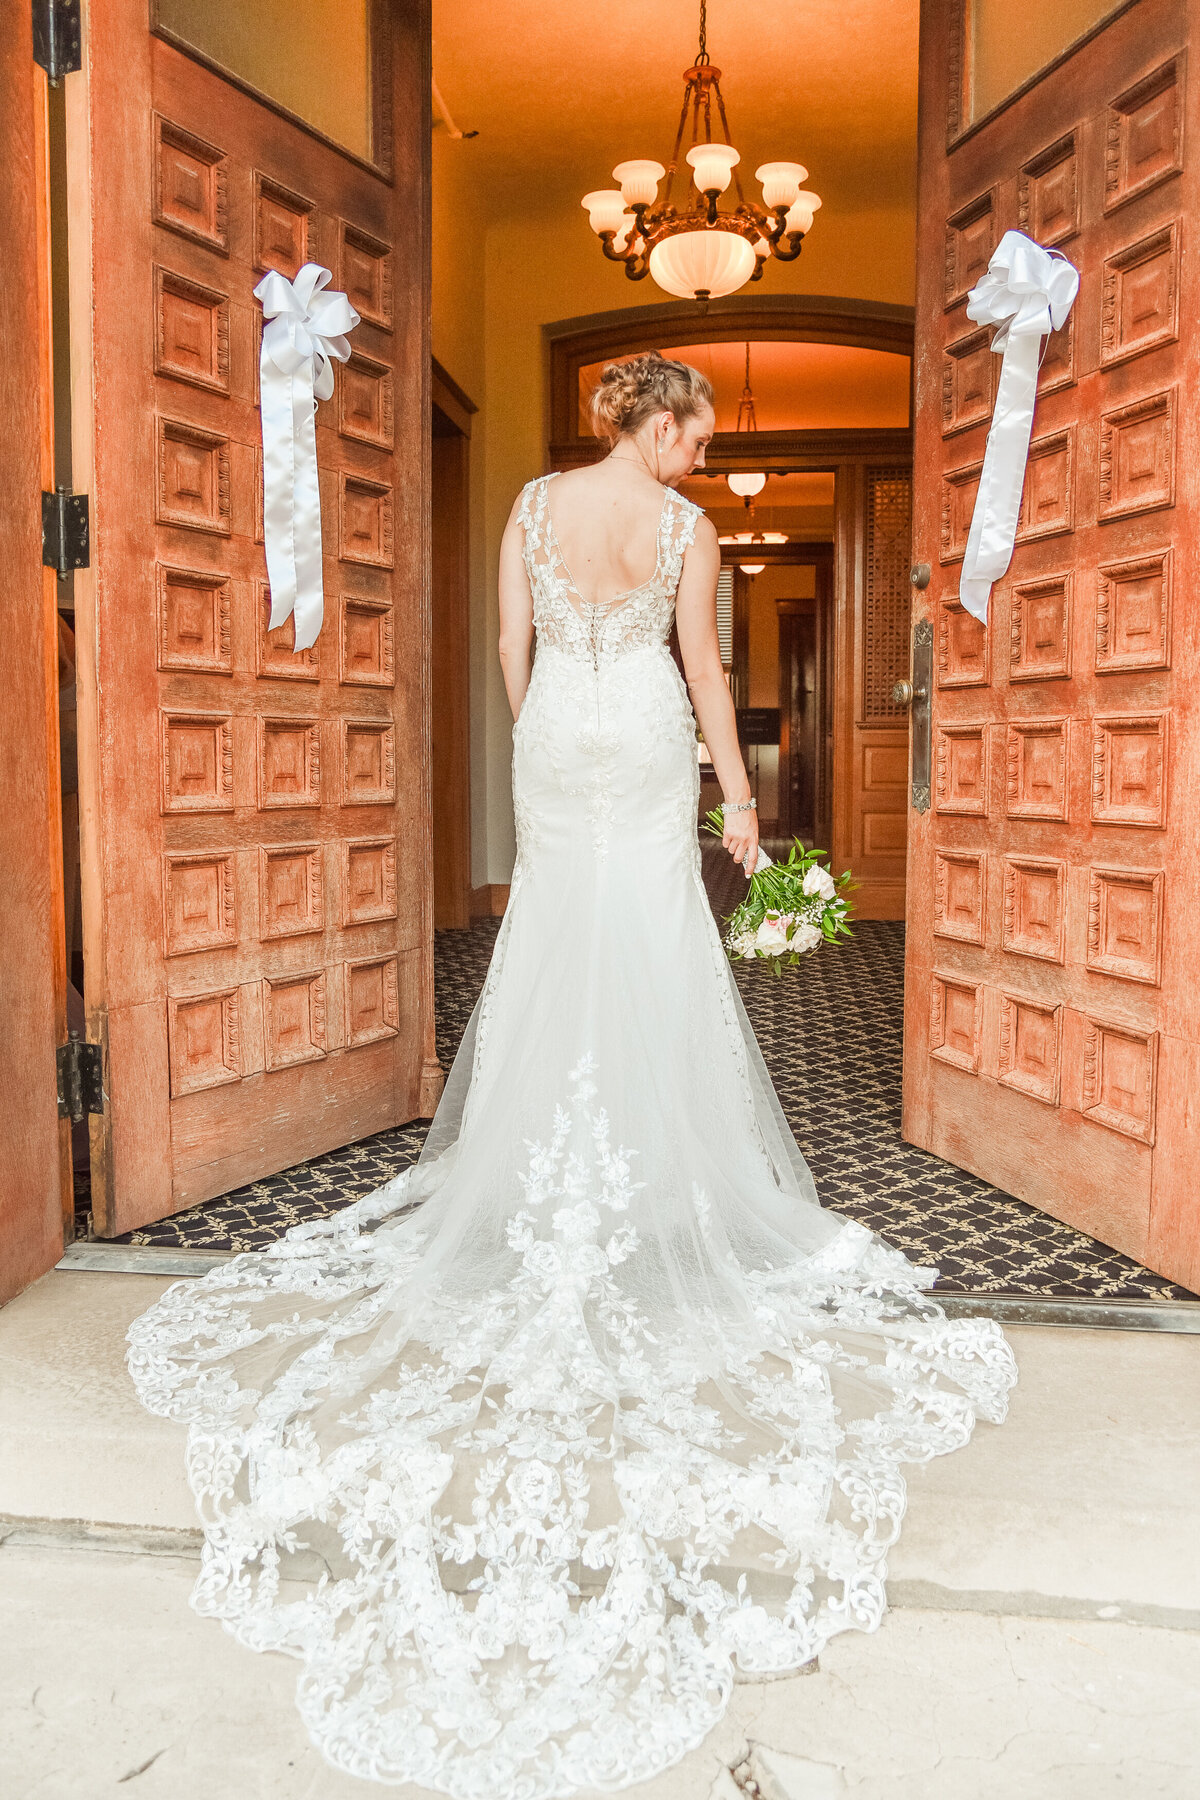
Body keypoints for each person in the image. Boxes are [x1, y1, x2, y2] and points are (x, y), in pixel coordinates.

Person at [128, 353, 1016, 1800]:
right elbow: (710, 667)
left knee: (550, 933)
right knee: (651, 936)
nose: (703, 453)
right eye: (699, 432)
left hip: (559, 743)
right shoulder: (685, 532)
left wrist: (548, 733)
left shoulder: (533, 506)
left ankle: (537, 1164)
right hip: (649, 741)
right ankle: (659, 1176)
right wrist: (740, 795)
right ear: (659, 426)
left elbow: (506, 652)